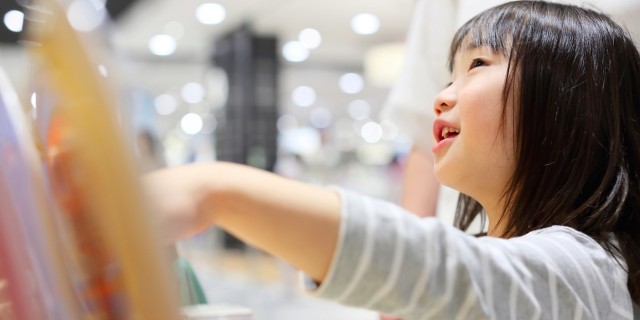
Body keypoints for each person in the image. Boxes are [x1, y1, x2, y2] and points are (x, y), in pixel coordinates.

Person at [143, 2, 640, 318]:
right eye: (449, 76)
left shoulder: (586, 274)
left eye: (478, 65)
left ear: (564, 104)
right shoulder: (486, 245)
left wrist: (216, 191)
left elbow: (449, 271)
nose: (442, 96)